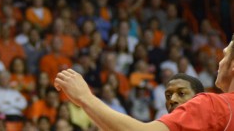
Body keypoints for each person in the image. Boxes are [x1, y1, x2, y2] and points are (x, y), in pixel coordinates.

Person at [54, 33, 234, 130]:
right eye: (169, 94)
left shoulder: (214, 105)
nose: (220, 61)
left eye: (224, 55)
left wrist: (85, 98)